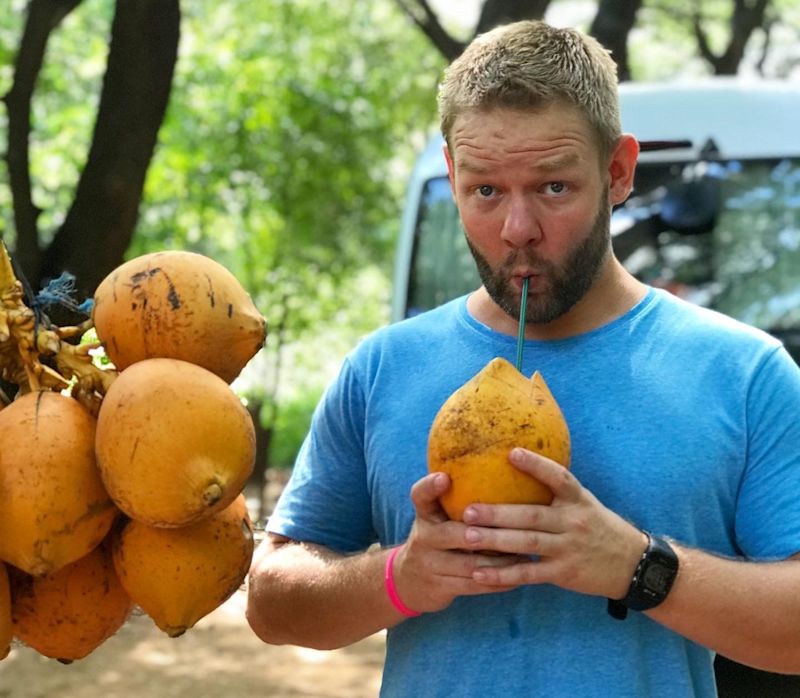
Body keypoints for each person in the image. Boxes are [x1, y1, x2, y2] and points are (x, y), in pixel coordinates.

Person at [246, 20, 800, 697]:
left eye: (553, 188)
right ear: (452, 176)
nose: (517, 230)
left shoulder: (745, 374)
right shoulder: (383, 368)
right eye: (485, 191)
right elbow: (271, 602)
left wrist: (637, 567)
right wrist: (403, 576)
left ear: (618, 170)